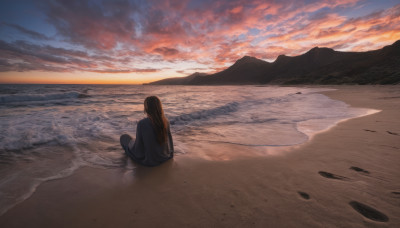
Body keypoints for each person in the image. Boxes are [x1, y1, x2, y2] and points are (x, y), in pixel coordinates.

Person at [120, 96, 174, 166]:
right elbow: (170, 143)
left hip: (150, 162)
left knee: (124, 137)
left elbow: (138, 151)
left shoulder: (142, 123)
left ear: (146, 108)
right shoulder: (165, 121)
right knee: (132, 140)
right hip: (165, 158)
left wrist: (130, 146)